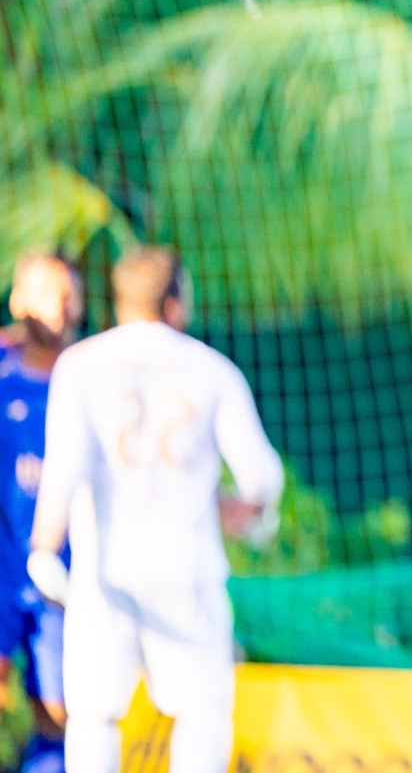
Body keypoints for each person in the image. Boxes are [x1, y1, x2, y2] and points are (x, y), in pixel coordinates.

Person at [27, 246, 285, 773]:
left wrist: (44, 548)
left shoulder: (80, 365)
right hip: (187, 570)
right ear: (174, 302)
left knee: (93, 717)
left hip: (104, 575)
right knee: (203, 713)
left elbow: (63, 470)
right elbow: (261, 479)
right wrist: (244, 512)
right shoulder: (211, 369)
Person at [0, 253, 83, 773]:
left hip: (64, 580)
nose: (61, 306)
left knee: (57, 714)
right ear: (19, 302)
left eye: (70, 294)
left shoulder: (92, 379)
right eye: (49, 293)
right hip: (3, 570)